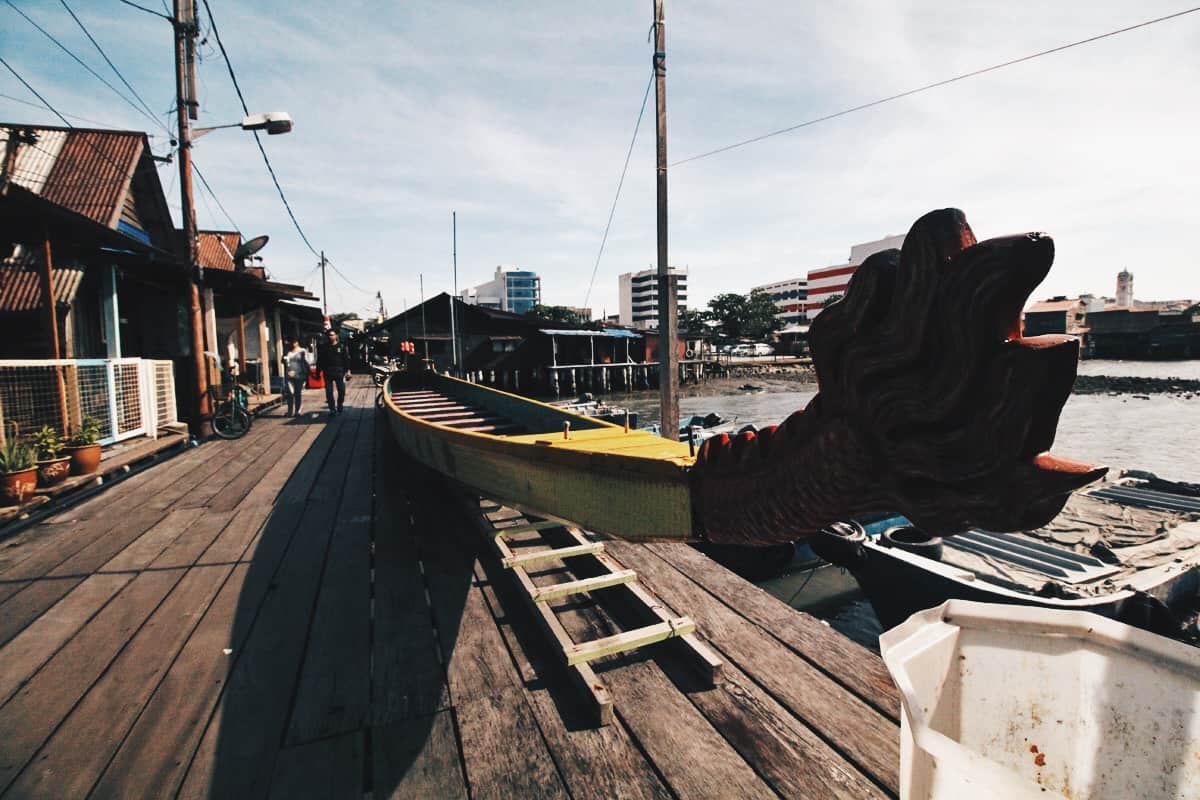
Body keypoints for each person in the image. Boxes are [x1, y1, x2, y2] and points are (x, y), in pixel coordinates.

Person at [316, 329, 350, 413]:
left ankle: (339, 404)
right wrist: (318, 371)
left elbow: (346, 359)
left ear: (336, 336)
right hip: (327, 371)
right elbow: (320, 360)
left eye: (332, 335)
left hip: (339, 371)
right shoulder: (324, 347)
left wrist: (348, 371)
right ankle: (332, 408)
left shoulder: (341, 346)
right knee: (329, 392)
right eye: (329, 335)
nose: (331, 337)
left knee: (341, 390)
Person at [281, 339, 310, 416]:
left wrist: (306, 374)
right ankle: (289, 411)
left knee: (297, 393)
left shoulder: (302, 351)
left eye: (295, 342)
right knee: (290, 393)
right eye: (292, 342)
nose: (293, 343)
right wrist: (284, 359)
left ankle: (298, 410)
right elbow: (283, 361)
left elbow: (307, 362)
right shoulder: (288, 351)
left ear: (297, 342)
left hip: (299, 374)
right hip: (289, 374)